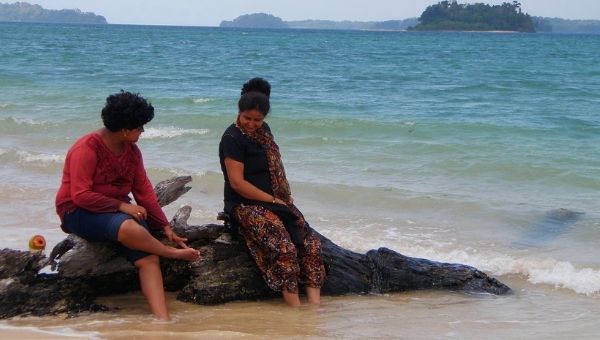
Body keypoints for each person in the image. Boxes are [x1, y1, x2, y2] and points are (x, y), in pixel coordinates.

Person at [55, 90, 200, 320]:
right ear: (124, 130)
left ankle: (162, 321)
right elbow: (80, 195)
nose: (143, 131)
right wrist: (122, 207)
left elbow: (143, 192)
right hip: (78, 211)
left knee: (148, 259)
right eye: (140, 127)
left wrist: (165, 227)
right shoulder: (87, 149)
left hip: (114, 212)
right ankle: (170, 254)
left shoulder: (132, 152)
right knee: (131, 228)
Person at [219, 78, 326, 306]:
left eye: (257, 120)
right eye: (247, 118)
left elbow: (275, 167)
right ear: (239, 112)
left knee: (310, 244)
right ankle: (294, 310)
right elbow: (237, 184)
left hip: (276, 200)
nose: (251, 124)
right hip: (245, 204)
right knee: (284, 247)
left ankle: (315, 309)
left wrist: (283, 199)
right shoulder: (232, 138)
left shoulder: (264, 131)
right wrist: (272, 199)